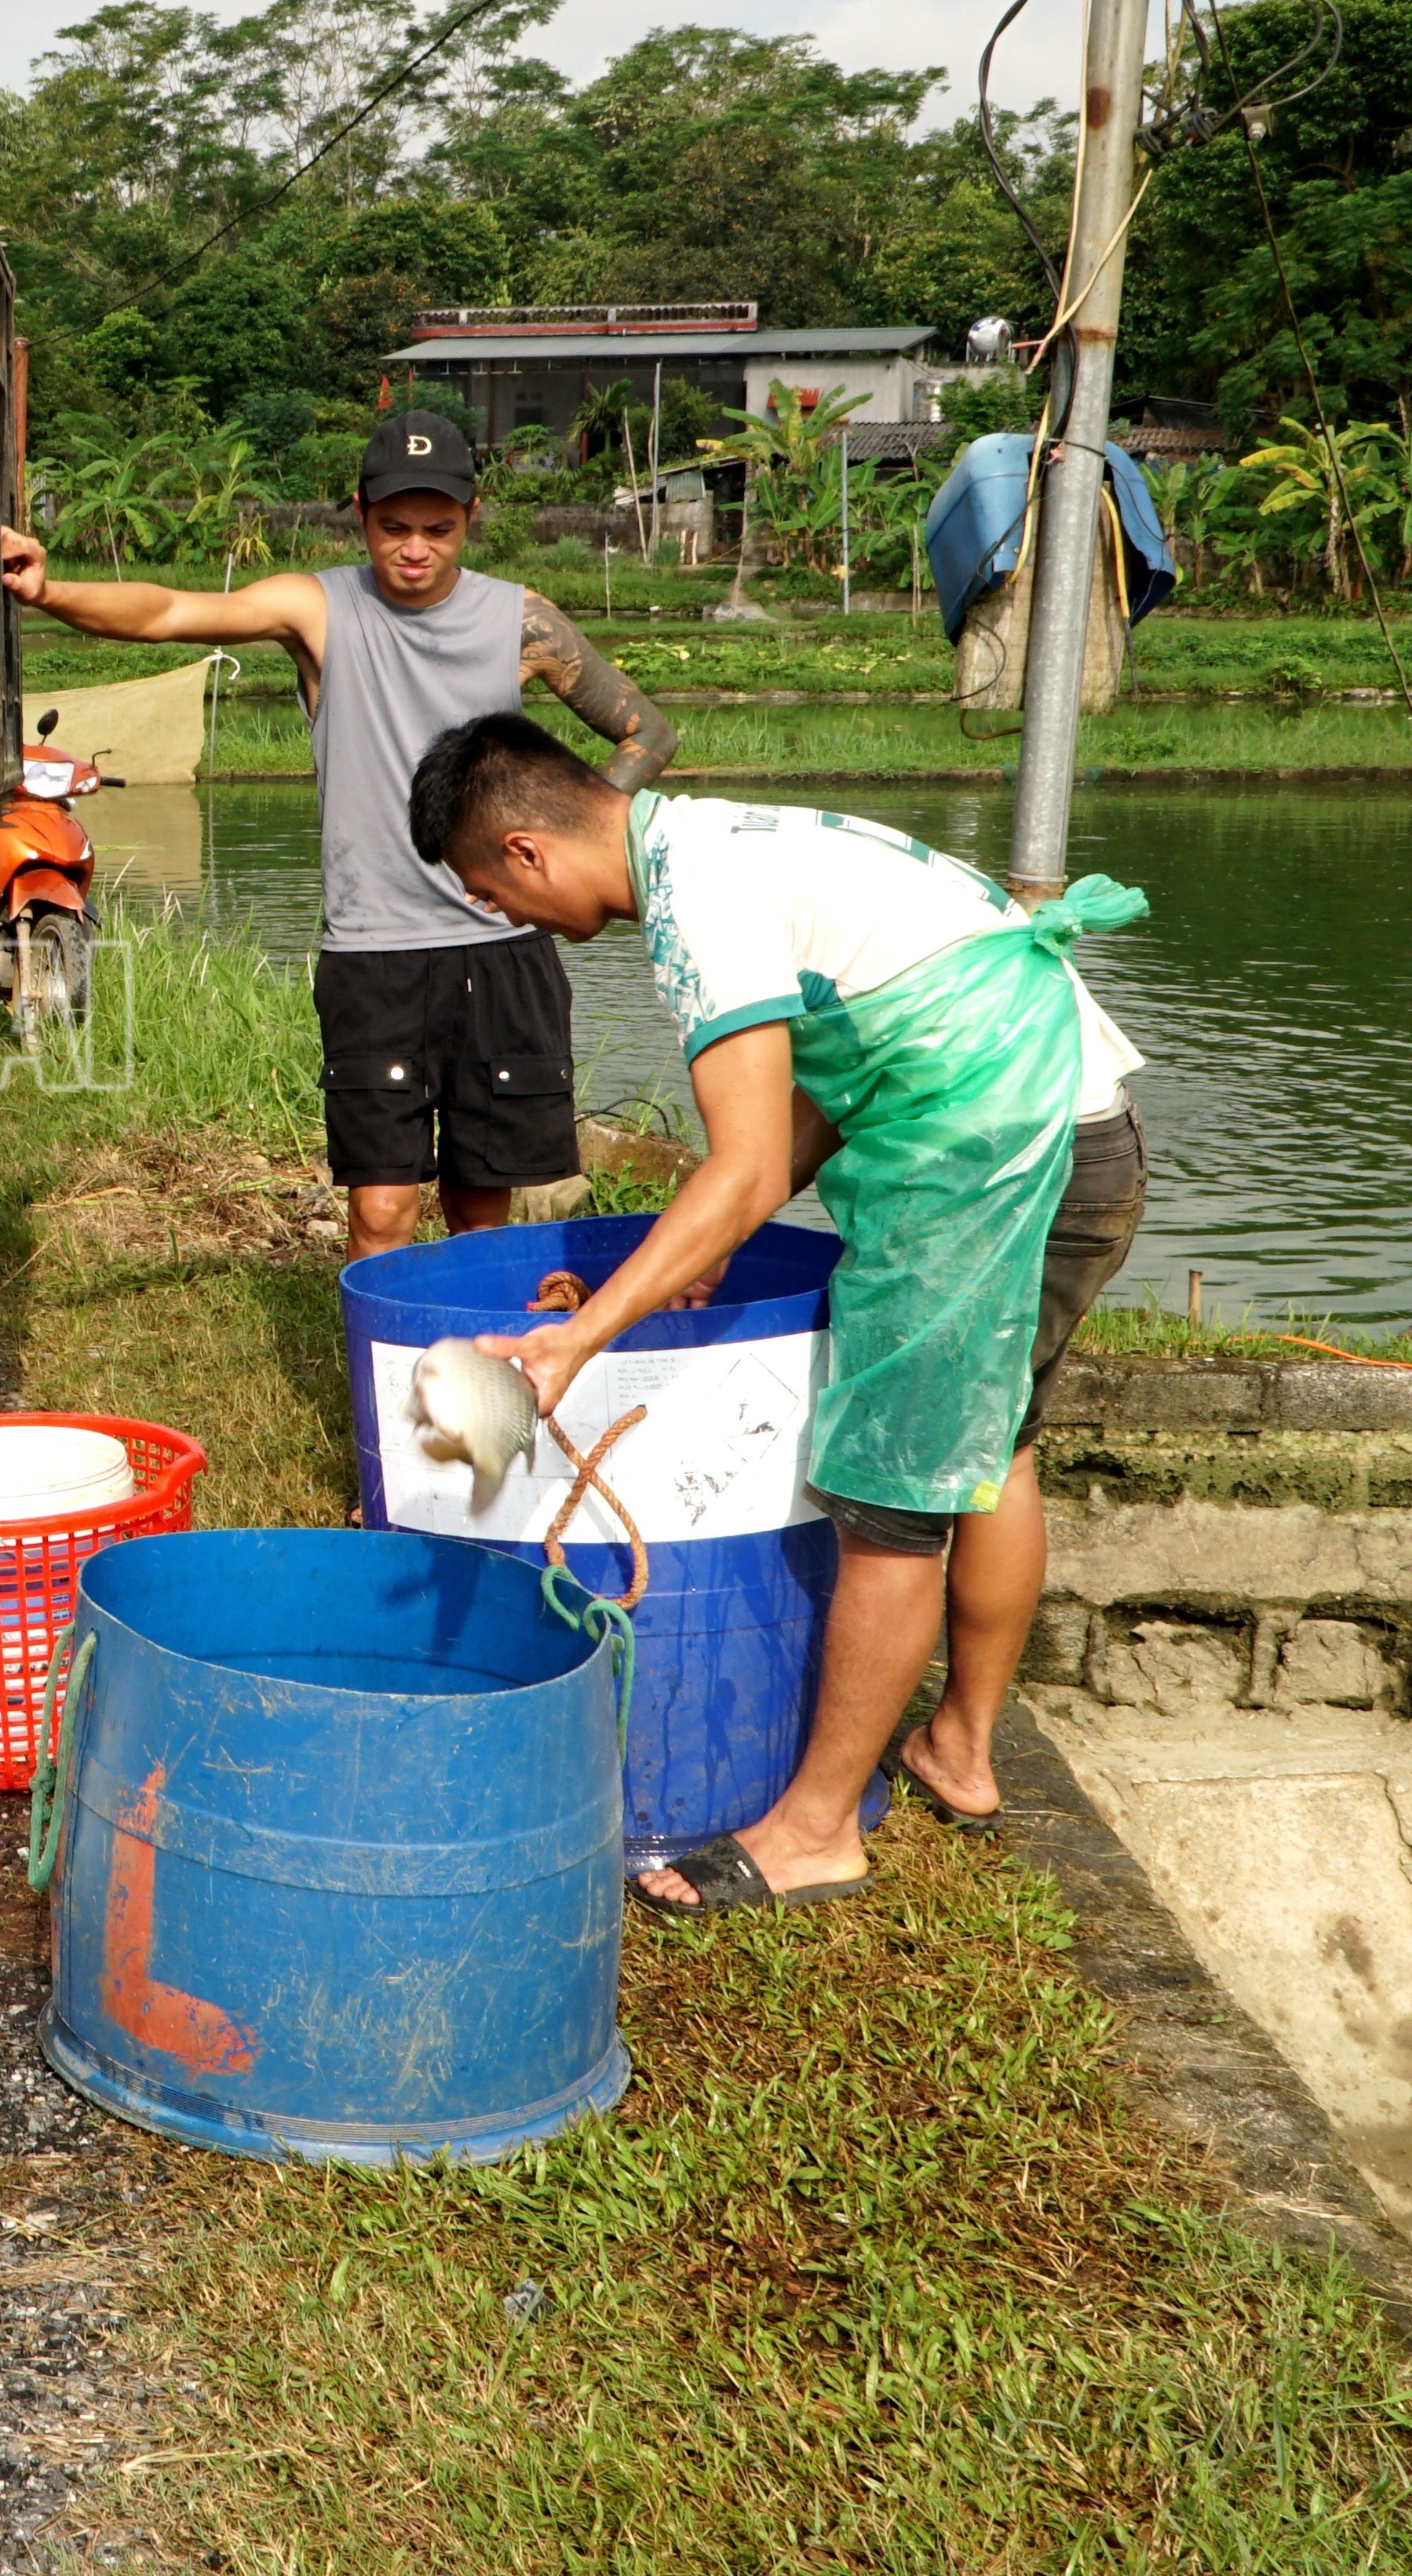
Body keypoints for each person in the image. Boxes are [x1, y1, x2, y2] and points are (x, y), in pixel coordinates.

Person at [416, 710, 1151, 1918]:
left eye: (488, 891)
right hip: (1080, 1138)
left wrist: (578, 1335)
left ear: (525, 850)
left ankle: (815, 1831)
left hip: (989, 1165)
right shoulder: (723, 841)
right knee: (993, 1444)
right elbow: (848, 1074)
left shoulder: (697, 903)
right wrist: (722, 1237)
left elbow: (747, 1163)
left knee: (891, 1498)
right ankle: (959, 1751)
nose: (503, 919)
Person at [0, 410, 677, 1261]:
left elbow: (646, 733)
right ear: (360, 515)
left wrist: (561, 836)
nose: (416, 548)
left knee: (481, 1211)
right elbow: (170, 610)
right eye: (394, 527)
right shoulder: (317, 608)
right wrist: (49, 591)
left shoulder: (521, 621)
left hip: (504, 952)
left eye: (439, 528)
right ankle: (384, 1382)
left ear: (471, 517)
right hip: (375, 957)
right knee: (383, 1212)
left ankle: (471, 1375)